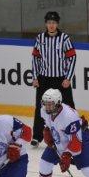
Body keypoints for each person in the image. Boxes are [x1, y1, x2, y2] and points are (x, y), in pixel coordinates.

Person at [31, 11, 77, 147]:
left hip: (61, 79)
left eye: (54, 23)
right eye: (49, 22)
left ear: (57, 24)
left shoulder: (64, 38)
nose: (51, 25)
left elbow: (72, 57)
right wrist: (35, 77)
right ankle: (37, 136)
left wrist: (68, 77)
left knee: (69, 106)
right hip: (44, 79)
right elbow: (35, 58)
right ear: (46, 24)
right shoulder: (40, 38)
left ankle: (75, 132)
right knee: (40, 107)